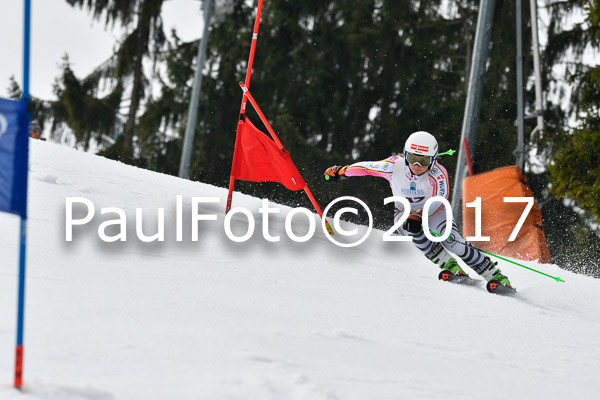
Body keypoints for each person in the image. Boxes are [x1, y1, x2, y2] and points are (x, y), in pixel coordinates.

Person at [324, 131, 513, 290]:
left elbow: (440, 200)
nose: (417, 166)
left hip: (435, 213)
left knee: (453, 243)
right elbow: (366, 168)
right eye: (413, 159)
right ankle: (450, 265)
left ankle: (495, 275)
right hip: (404, 214)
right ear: (406, 155)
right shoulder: (393, 166)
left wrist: (420, 215)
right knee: (411, 229)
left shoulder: (438, 174)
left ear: (433, 159)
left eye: (424, 161)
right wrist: (341, 171)